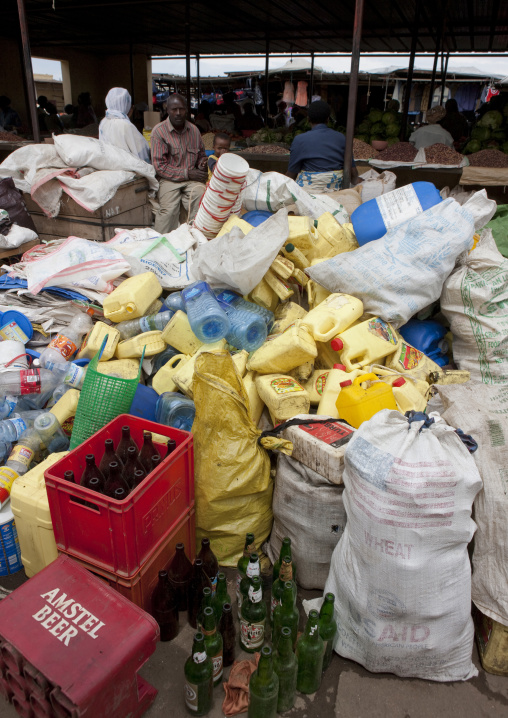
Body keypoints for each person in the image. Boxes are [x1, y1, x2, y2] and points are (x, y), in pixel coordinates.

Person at [151, 94, 207, 234]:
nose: (178, 113)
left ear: (187, 110)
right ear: (167, 110)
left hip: (191, 179)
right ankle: (163, 244)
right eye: (174, 109)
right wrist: (187, 173)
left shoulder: (194, 130)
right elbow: (160, 167)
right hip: (168, 179)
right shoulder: (159, 132)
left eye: (181, 109)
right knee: (168, 211)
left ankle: (193, 237)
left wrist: (202, 164)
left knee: (201, 197)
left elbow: (201, 155)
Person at [286, 100, 359, 192]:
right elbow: (353, 173)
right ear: (328, 119)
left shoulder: (299, 140)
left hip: (308, 196)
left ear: (308, 119)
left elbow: (291, 175)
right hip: (334, 194)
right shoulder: (341, 138)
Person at [99, 87, 150, 162]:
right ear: (126, 105)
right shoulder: (126, 125)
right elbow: (142, 152)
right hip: (127, 169)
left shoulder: (103, 122)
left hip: (109, 166)